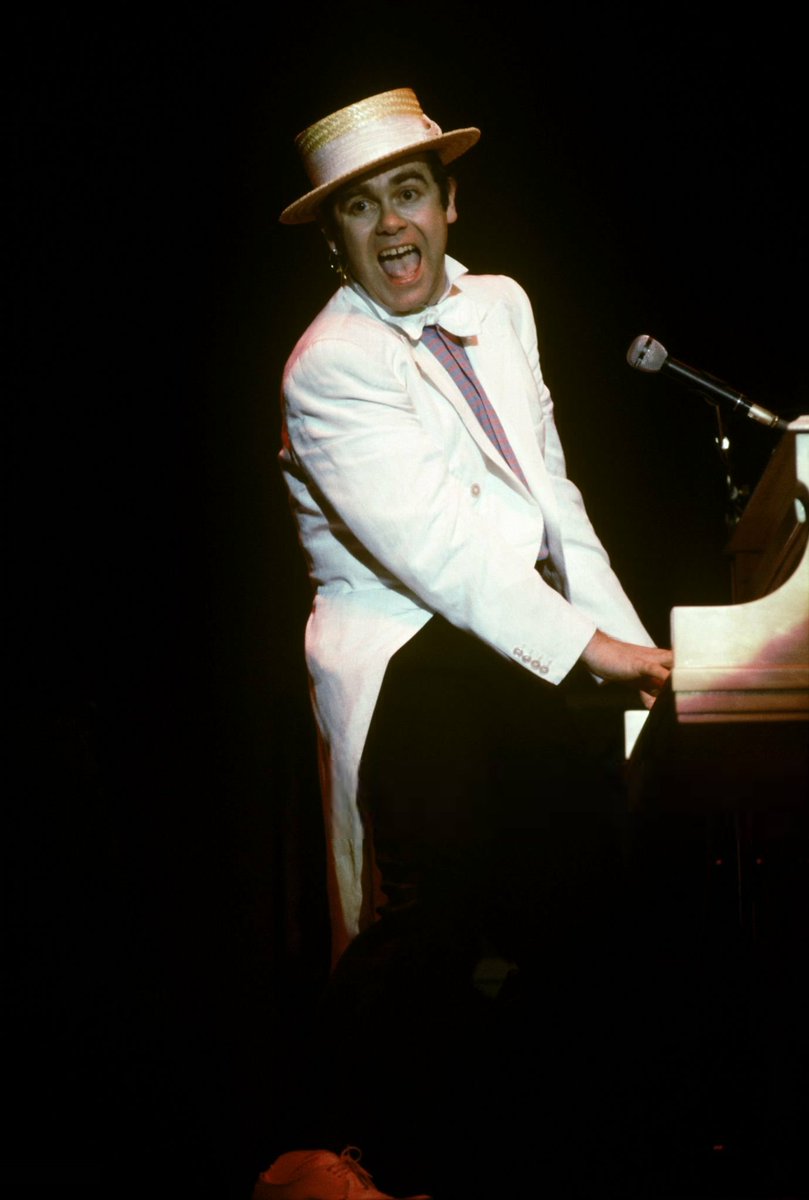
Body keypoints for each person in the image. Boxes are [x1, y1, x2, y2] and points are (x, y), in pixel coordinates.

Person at [256, 87, 673, 1200]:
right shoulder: (325, 367)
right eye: (360, 209)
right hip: (411, 656)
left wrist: (639, 665)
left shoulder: (503, 304)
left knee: (590, 888)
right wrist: (594, 652)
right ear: (334, 238)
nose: (391, 226)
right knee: (438, 898)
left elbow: (550, 497)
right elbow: (442, 554)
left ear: (448, 200)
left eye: (407, 194)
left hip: (520, 647)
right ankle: (338, 1152)